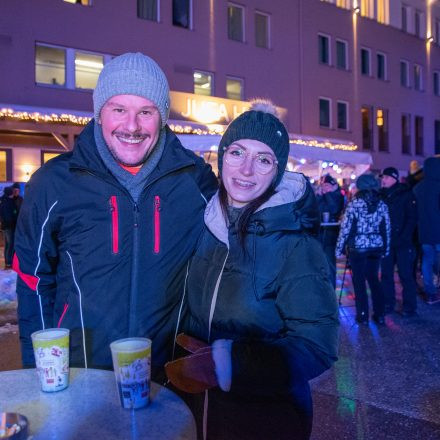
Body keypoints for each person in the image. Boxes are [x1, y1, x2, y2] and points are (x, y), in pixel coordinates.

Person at [13, 53, 218, 374]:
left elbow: (232, 254)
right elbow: (32, 280)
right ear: (99, 113)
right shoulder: (54, 183)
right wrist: (41, 366)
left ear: (161, 117)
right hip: (81, 374)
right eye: (119, 109)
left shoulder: (195, 180)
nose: (132, 126)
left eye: (146, 112)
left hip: (167, 376)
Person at [166, 101, 339, 440]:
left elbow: (317, 345)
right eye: (237, 153)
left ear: (277, 170)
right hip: (199, 413)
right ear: (221, 156)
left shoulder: (295, 245)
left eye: (263, 160)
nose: (246, 170)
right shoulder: (205, 225)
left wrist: (230, 363)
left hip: (263, 421)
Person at [336, 173, 390, 325]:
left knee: (359, 282)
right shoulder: (382, 204)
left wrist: (338, 248)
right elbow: (386, 228)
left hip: (358, 247)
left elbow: (345, 229)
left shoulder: (354, 204)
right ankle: (380, 315)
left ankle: (363, 315)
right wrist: (386, 248)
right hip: (376, 246)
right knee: (374, 279)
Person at [380, 167, 418, 316]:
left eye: (387, 178)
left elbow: (412, 218)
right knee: (386, 275)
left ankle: (410, 307)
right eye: (383, 177)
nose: (383, 180)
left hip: (403, 243)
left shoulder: (406, 194)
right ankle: (388, 303)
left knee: (405, 275)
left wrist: (404, 237)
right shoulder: (381, 195)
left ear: (395, 178)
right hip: (386, 243)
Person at [413, 156, 440, 304]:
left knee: (427, 260)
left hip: (423, 231)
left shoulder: (418, 188)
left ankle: (430, 292)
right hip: (438, 231)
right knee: (435, 259)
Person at [316, 173, 345, 287]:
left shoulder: (338, 196)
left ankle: (331, 292)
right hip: (319, 235)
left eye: (327, 185)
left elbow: (334, 209)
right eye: (323, 185)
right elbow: (315, 211)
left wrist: (327, 194)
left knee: (330, 266)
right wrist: (318, 196)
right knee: (318, 265)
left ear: (333, 186)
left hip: (331, 236)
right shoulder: (321, 196)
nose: (324, 188)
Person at [0, 186, 18, 269]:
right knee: (10, 244)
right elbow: (9, 215)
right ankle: (9, 263)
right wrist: (15, 217)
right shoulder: (8, 202)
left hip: (6, 226)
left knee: (7, 244)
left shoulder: (4, 200)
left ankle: (8, 262)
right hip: (9, 226)